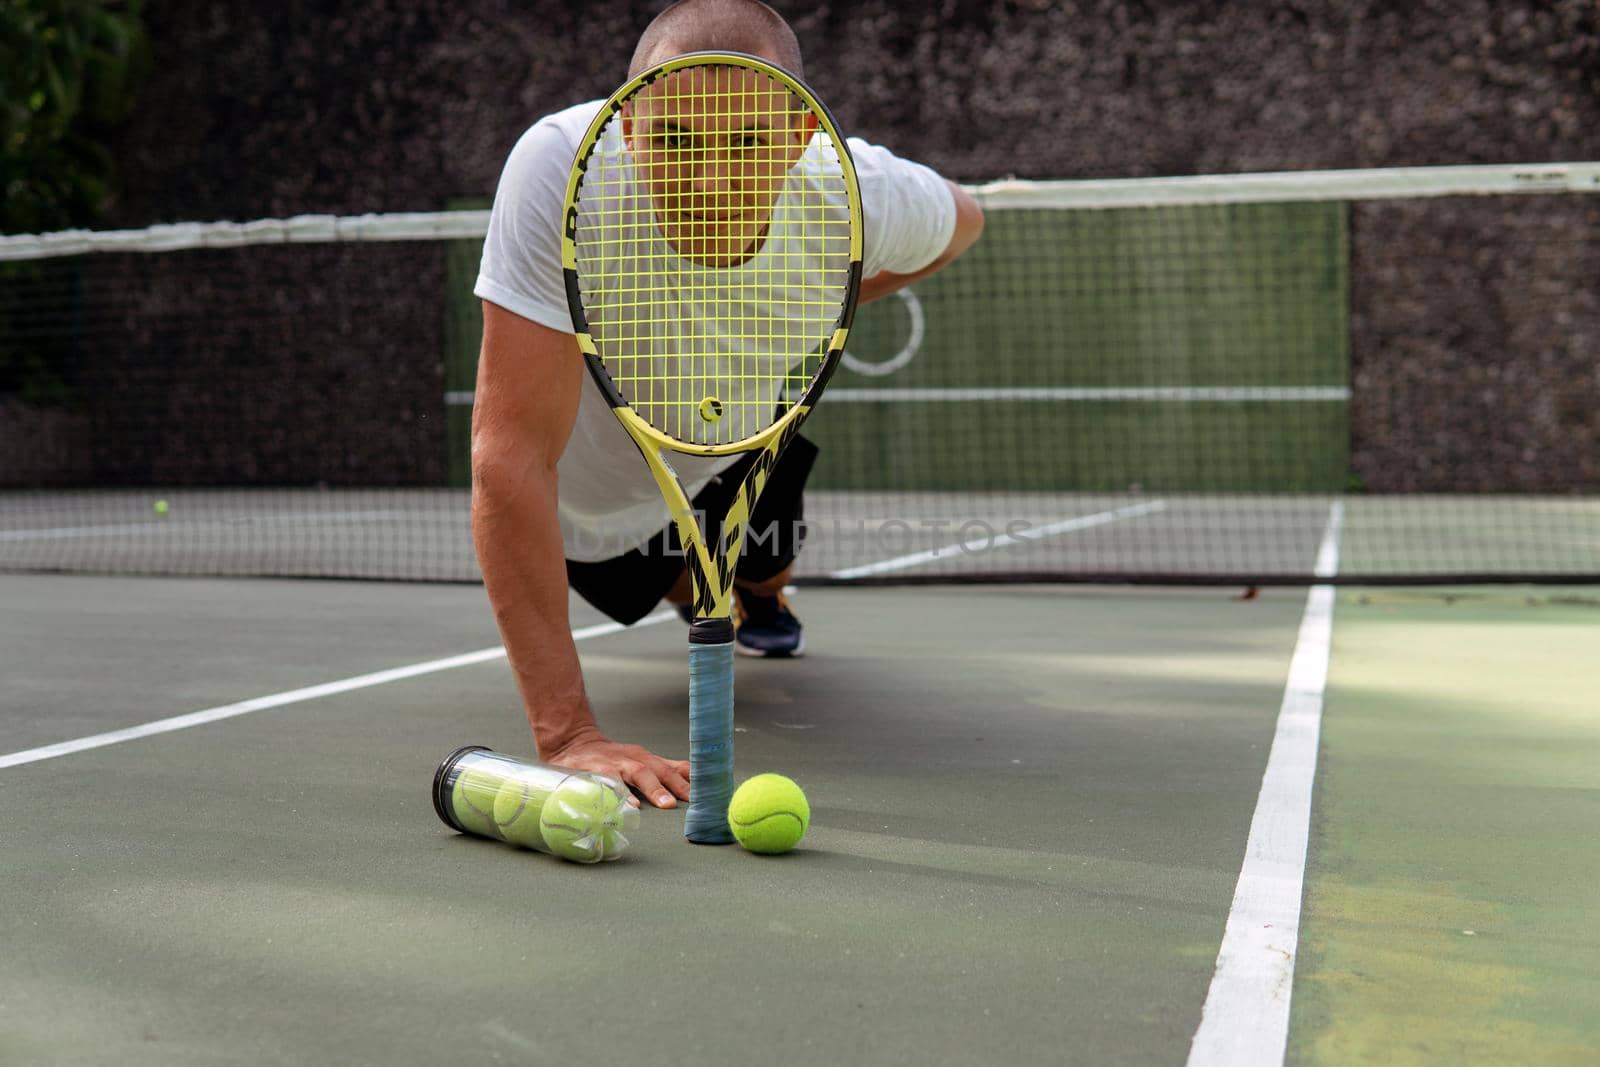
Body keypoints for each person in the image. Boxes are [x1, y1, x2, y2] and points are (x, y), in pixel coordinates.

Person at [471, 0, 984, 809]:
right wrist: (569, 735)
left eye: (748, 141)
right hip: (592, 511)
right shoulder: (560, 168)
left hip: (742, 445)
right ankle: (694, 581)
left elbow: (966, 221)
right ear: (631, 130)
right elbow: (510, 460)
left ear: (802, 137)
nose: (713, 177)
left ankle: (761, 584)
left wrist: (837, 292)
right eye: (676, 140)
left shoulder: (859, 192)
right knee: (658, 580)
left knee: (766, 554)